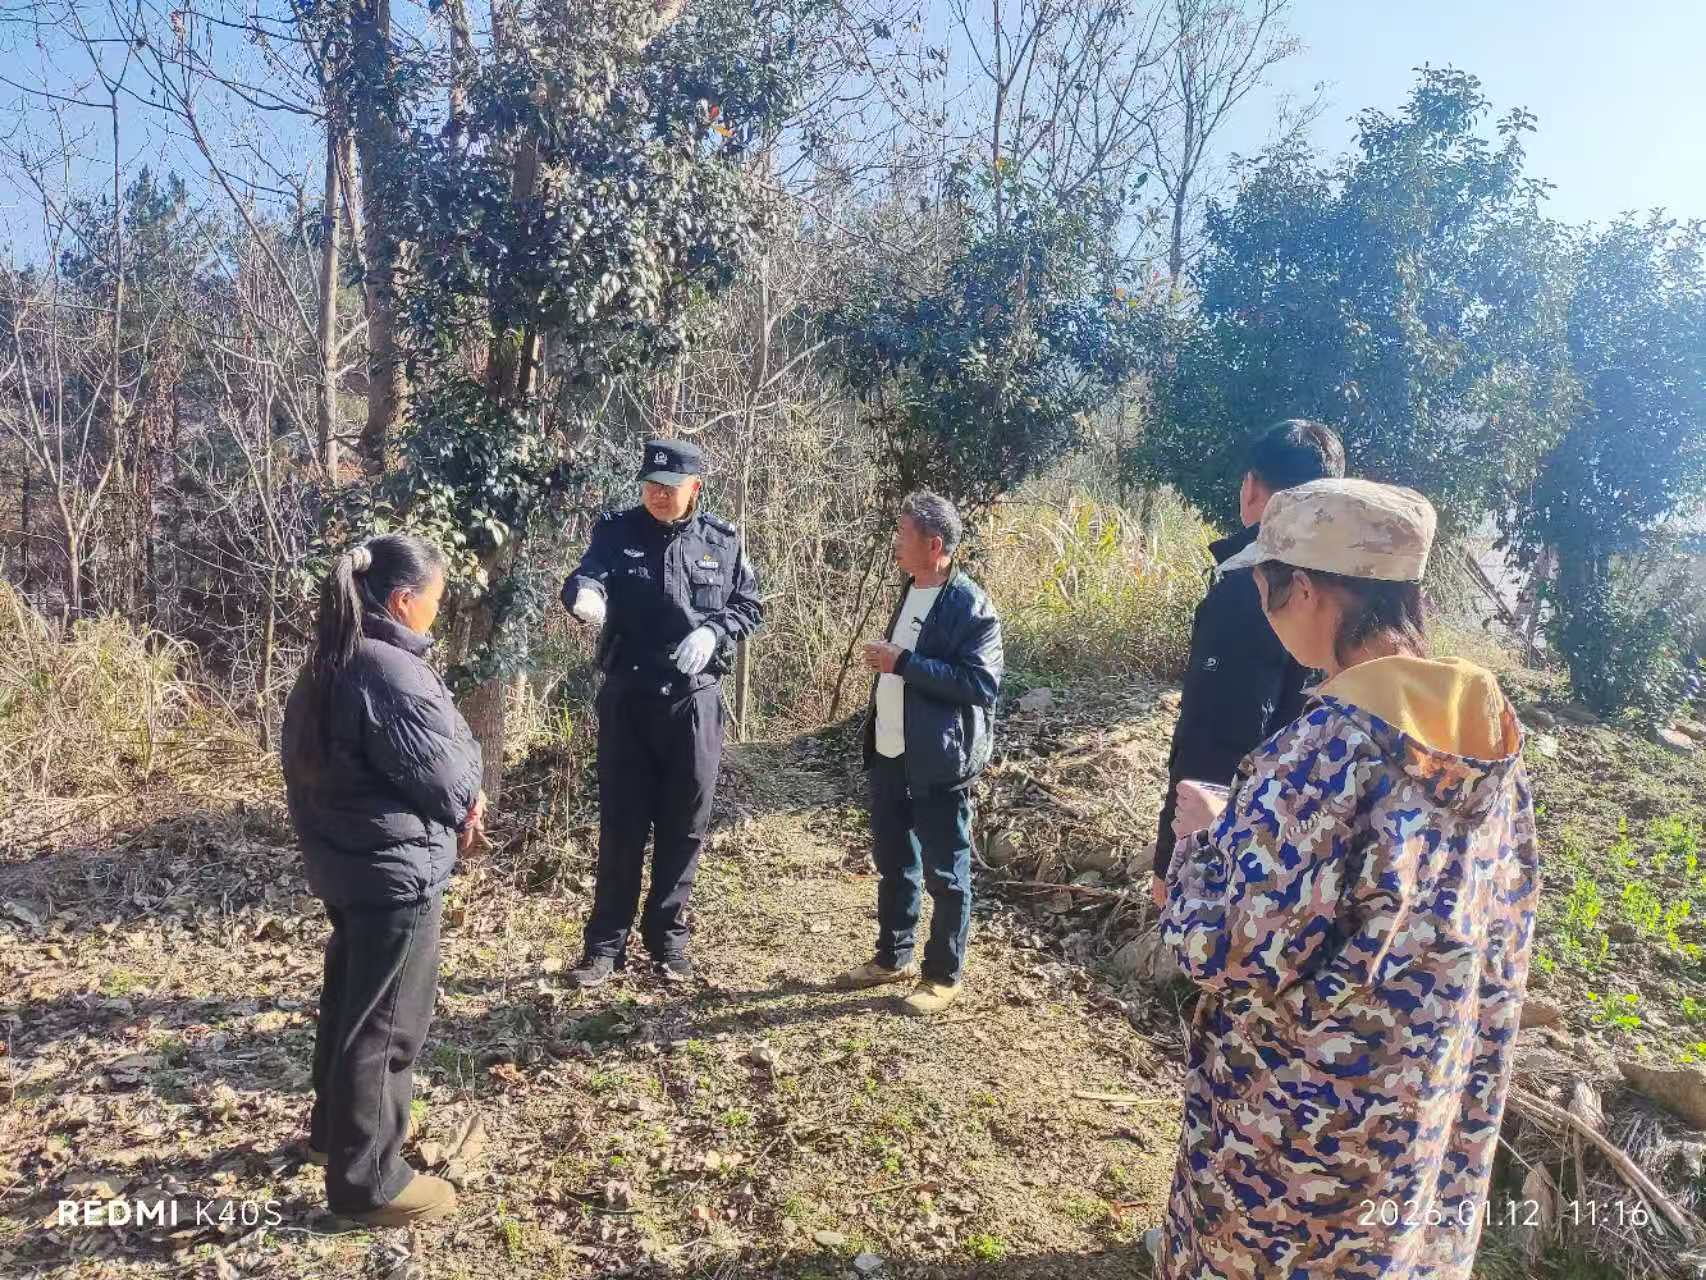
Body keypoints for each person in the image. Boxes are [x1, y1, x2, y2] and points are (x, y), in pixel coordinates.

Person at [1156, 478, 1539, 1279]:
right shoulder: (1484, 735)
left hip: (1292, 1145)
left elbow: (1224, 949)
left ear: (1302, 590)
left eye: (1265, 587)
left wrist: (1203, 841)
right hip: (1412, 1120)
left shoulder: (1324, 752)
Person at [281, 534, 485, 1227]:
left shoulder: (329, 658)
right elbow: (449, 778)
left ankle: (333, 1134)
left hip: (345, 863)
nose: (437, 611)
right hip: (394, 874)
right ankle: (369, 1181)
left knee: (349, 1002)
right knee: (388, 1025)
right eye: (435, 599)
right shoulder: (390, 671)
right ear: (402, 600)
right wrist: (471, 788)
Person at [562, 438, 762, 988]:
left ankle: (668, 939)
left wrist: (714, 630)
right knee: (622, 824)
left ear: (694, 488)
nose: (658, 495)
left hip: (693, 702)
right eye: (650, 485)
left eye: (669, 488)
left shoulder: (721, 540)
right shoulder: (617, 531)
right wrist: (585, 594)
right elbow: (587, 574)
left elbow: (749, 604)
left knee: (684, 824)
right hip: (629, 698)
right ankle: (605, 946)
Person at [1152, 419, 1346, 911]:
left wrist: (1171, 855)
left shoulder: (1253, 586)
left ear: (1252, 487)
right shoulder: (1340, 589)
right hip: (1291, 839)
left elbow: (1216, 733)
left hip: (1227, 841)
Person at [831, 491, 1004, 1016]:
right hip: (890, 752)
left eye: (903, 534)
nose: (895, 543)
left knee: (946, 874)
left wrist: (903, 662)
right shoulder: (910, 589)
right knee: (894, 861)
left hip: (939, 761)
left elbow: (980, 683)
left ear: (934, 545)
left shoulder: (970, 604)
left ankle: (943, 975)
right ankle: (893, 956)